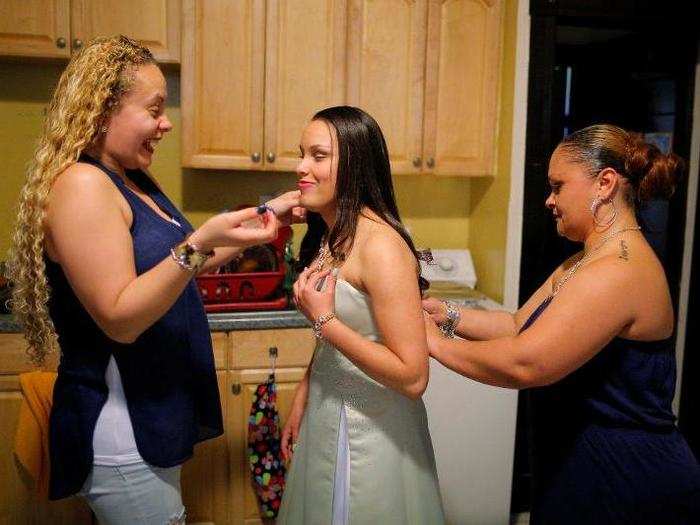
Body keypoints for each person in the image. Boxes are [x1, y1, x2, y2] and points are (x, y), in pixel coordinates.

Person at [7, 35, 299, 524]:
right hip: (120, 430)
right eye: (154, 109)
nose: (165, 124)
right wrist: (197, 243)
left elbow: (178, 267)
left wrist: (267, 218)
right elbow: (120, 318)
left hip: (149, 415)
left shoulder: (129, 178)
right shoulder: (81, 186)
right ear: (102, 112)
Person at [422, 124, 700, 524]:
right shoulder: (584, 261)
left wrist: (434, 343)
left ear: (604, 184)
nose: (548, 200)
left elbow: (526, 363)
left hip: (626, 476)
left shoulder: (621, 270)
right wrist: (445, 314)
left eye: (557, 186)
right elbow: (517, 325)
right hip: (578, 463)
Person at [276, 106, 445, 524]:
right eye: (302, 154)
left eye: (318, 156)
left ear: (354, 163)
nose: (301, 167)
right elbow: (336, 336)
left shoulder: (381, 246)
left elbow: (413, 376)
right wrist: (303, 395)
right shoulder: (330, 233)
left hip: (371, 434)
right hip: (326, 412)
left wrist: (325, 322)